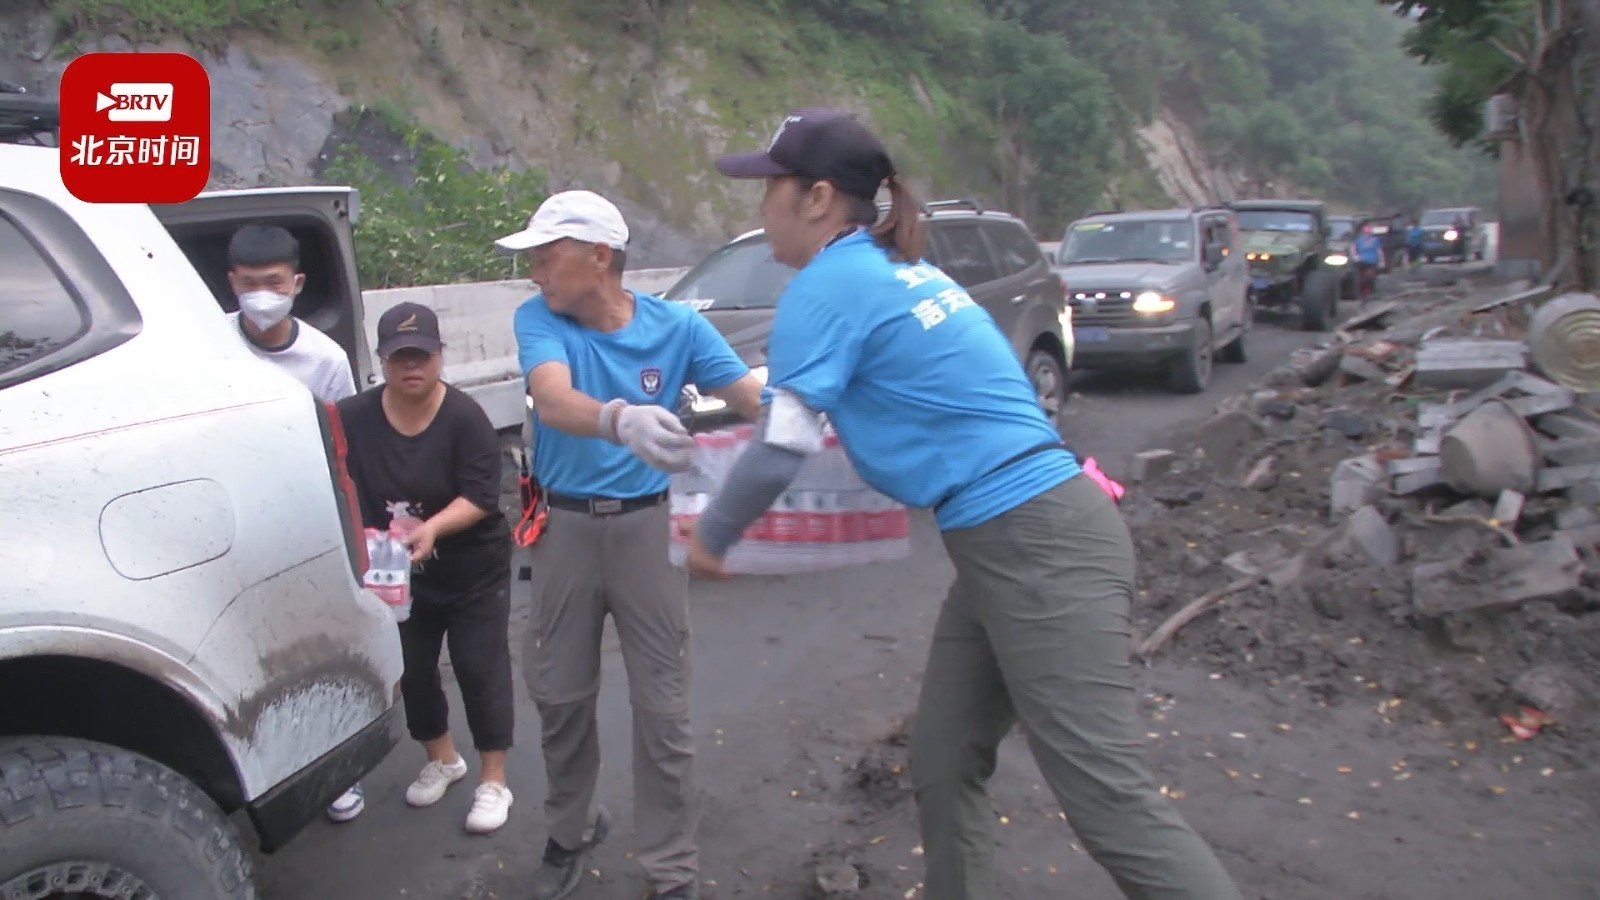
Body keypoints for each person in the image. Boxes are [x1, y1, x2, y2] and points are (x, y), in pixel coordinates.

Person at [687, 107, 1244, 900]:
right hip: (1012, 538)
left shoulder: (828, 286)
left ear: (815, 198)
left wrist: (714, 535)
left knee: (1111, 805)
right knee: (944, 760)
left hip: (1035, 542)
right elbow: (821, 409)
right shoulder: (894, 269)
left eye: (768, 188)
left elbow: (784, 441)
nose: (759, 205)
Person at [503, 190, 764, 900]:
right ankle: (569, 832)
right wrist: (619, 419)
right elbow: (553, 398)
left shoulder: (676, 327)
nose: (535, 274)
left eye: (546, 256)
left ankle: (672, 870)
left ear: (600, 256)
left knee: (663, 709)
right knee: (559, 696)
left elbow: (752, 399)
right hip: (563, 529)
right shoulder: (541, 320)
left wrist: (829, 416)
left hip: (650, 528)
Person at [336, 301, 517, 835]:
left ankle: (493, 778)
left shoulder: (465, 417)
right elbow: (335, 476)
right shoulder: (352, 417)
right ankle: (443, 758)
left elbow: (482, 495)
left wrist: (433, 527)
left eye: (421, 356)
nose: (411, 367)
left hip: (472, 567)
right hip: (398, 574)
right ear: (382, 361)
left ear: (440, 356)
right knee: (411, 670)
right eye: (399, 358)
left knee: (479, 667)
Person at [224, 223, 365, 823]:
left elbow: (345, 452)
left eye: (273, 283)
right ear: (231, 283)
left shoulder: (324, 361)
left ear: (297, 284)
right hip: (229, 526)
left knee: (318, 650)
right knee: (248, 657)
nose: (261, 294)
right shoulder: (206, 345)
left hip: (303, 525)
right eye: (249, 283)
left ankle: (335, 771)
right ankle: (263, 773)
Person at [1352, 225, 1384, 299]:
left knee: (1370, 276)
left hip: (1373, 261)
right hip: (1362, 261)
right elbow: (1353, 248)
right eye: (1366, 233)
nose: (1367, 234)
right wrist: (1355, 256)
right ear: (1363, 233)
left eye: (1369, 233)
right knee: (1362, 278)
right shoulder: (1359, 240)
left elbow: (1379, 250)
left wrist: (1382, 260)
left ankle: (1370, 290)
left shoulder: (1375, 240)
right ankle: (1363, 292)